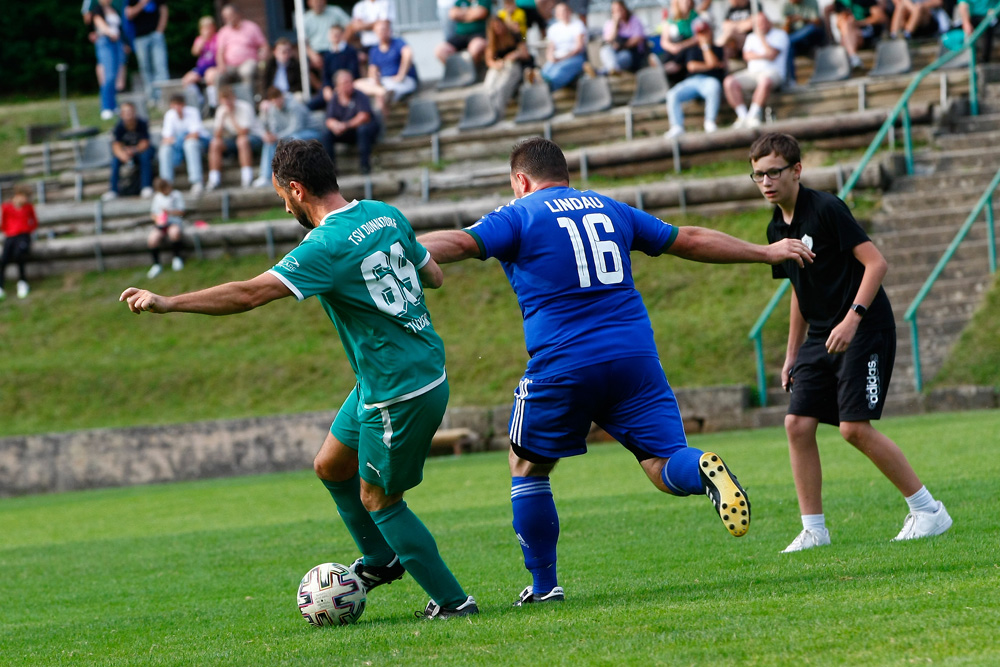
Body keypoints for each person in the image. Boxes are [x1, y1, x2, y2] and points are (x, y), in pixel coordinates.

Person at [418, 137, 816, 604]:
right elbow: (686, 238)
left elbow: (461, 242)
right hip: (635, 361)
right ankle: (703, 469)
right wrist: (765, 252)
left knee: (527, 467)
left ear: (521, 181)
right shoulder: (611, 209)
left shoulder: (518, 214)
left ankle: (545, 586)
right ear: (564, 175)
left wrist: (397, 247)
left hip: (563, 365)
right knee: (663, 462)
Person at [120, 138, 479, 621]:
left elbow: (248, 295)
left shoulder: (324, 246)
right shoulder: (384, 213)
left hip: (398, 389)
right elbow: (434, 276)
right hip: (398, 373)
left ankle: (454, 603)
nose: (283, 204)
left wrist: (168, 302)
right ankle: (381, 559)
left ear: (296, 188)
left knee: (380, 499)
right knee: (331, 465)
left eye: (281, 195)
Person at [748, 132, 953, 552]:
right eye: (757, 175)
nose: (766, 182)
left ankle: (928, 511)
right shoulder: (776, 226)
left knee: (853, 429)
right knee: (797, 424)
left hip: (864, 327)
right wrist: (790, 354)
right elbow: (798, 290)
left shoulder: (825, 209)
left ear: (796, 170)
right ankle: (814, 530)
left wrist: (852, 320)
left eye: (773, 172)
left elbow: (877, 263)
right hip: (822, 334)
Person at [723, 12, 790, 129]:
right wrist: (764, 54)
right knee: (729, 81)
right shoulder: (750, 37)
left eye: (763, 22)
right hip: (752, 73)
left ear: (769, 22)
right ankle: (743, 116)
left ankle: (753, 115)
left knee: (765, 81)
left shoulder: (780, 34)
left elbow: (772, 54)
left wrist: (761, 37)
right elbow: (747, 56)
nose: (761, 25)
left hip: (773, 72)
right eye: (758, 23)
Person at [664, 18, 725, 138]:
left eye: (705, 32)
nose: (702, 35)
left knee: (714, 87)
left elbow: (712, 62)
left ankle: (709, 122)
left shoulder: (718, 48)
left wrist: (706, 47)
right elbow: (692, 66)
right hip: (692, 81)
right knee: (672, 94)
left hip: (710, 81)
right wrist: (710, 65)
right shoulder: (692, 49)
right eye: (700, 33)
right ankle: (677, 126)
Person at [254, 87, 324, 186]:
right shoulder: (272, 109)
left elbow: (296, 128)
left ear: (282, 97)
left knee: (294, 139)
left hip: (311, 132)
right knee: (269, 142)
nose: (276, 102)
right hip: (290, 135)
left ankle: (296, 175)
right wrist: (270, 136)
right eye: (273, 100)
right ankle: (265, 176)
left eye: (278, 98)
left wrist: (277, 136)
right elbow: (274, 127)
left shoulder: (294, 106)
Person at [354, 20, 419, 117]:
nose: (382, 32)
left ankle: (381, 122)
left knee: (379, 97)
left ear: (390, 30)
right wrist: (375, 79)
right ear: (375, 32)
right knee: (357, 84)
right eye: (379, 30)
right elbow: (373, 70)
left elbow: (408, 54)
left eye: (384, 29)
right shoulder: (374, 50)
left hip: (402, 81)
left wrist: (401, 75)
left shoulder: (398, 42)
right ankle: (383, 92)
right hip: (384, 82)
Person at [207, 85, 263, 190]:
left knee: (242, 141)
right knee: (215, 143)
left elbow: (243, 132)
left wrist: (231, 117)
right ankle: (214, 179)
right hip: (234, 140)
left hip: (254, 138)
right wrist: (222, 120)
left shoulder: (245, 107)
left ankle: (247, 177)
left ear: (233, 97)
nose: (227, 103)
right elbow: (217, 135)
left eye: (229, 100)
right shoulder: (221, 111)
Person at [323, 70, 380, 175]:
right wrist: (335, 125)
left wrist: (346, 125)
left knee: (363, 130)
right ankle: (331, 170)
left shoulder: (360, 95)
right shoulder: (334, 99)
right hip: (346, 131)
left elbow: (364, 116)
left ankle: (365, 166)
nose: (349, 85)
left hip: (364, 131)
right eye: (345, 82)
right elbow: (329, 119)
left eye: (350, 81)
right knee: (326, 135)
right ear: (338, 86)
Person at [158, 93, 209, 194]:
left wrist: (179, 139)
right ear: (171, 105)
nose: (177, 107)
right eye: (175, 105)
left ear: (184, 104)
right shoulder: (169, 115)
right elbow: (166, 138)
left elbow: (195, 134)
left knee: (190, 144)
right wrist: (179, 140)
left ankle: (196, 181)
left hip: (199, 143)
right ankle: (166, 184)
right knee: (165, 150)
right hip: (179, 144)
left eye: (179, 104)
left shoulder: (193, 111)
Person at [481, 15, 532, 114]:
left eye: (499, 26)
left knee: (502, 86)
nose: (498, 29)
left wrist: (516, 54)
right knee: (490, 83)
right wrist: (496, 64)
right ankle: (486, 110)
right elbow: (489, 60)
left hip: (514, 65)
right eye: (495, 27)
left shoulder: (514, 34)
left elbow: (525, 53)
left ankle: (497, 112)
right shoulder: (492, 41)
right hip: (499, 67)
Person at [104, 101, 154, 201]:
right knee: (115, 161)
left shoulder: (142, 123)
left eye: (130, 111)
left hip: (140, 151)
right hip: (126, 153)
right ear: (122, 114)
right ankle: (113, 190)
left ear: (134, 112)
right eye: (125, 112)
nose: (128, 114)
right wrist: (122, 154)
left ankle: (146, 187)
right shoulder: (119, 127)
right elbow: (116, 145)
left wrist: (134, 150)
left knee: (145, 156)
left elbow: (145, 143)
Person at [216, 4, 269, 90]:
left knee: (246, 72)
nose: (227, 19)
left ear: (237, 14)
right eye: (225, 17)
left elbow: (264, 45)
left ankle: (248, 101)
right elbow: (220, 52)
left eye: (229, 16)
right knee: (219, 77)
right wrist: (221, 66)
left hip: (248, 62)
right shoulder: (223, 32)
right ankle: (221, 102)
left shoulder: (251, 27)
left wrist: (262, 56)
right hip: (230, 65)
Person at [125, 0, 169, 103]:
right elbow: (128, 14)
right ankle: (152, 97)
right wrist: (142, 3)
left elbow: (164, 11)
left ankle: (163, 96)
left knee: (160, 65)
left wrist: (160, 30)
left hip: (156, 34)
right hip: (140, 37)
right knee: (145, 67)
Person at [309, 23, 362, 110]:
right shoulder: (328, 54)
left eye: (337, 34)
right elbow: (325, 74)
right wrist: (326, 87)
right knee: (311, 105)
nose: (335, 36)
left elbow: (353, 72)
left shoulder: (350, 51)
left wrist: (340, 87)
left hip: (347, 85)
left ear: (342, 35)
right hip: (332, 87)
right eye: (332, 34)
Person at [0, 185, 39, 300]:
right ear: (18, 195)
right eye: (25, 197)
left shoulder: (28, 207)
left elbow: (34, 222)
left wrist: (28, 230)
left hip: (23, 236)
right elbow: (3, 224)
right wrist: (8, 230)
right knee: (4, 259)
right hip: (10, 236)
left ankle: (22, 282)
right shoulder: (6, 207)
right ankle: (1, 286)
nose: (26, 200)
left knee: (19, 255)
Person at [539, 2, 587, 92]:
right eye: (561, 12)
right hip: (558, 58)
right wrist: (551, 57)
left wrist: (564, 57)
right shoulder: (553, 28)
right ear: (556, 14)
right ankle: (540, 84)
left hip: (575, 57)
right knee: (546, 70)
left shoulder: (578, 24)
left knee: (560, 70)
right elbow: (551, 47)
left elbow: (579, 47)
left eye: (565, 11)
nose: (564, 14)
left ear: (569, 12)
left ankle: (548, 86)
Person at [92, 0, 125, 120]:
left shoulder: (114, 9)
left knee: (115, 77)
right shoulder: (97, 9)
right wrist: (110, 33)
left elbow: (120, 27)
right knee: (108, 76)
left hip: (117, 44)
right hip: (106, 42)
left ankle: (113, 105)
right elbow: (100, 24)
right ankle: (105, 107)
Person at [146, 177, 186, 278]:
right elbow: (153, 214)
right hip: (161, 224)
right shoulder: (157, 197)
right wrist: (157, 218)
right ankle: (156, 264)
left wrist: (169, 212)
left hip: (174, 221)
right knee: (152, 239)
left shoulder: (176, 195)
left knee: (174, 233)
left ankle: (177, 258)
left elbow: (182, 212)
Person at [833, 0, 889, 69]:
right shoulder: (840, 2)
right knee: (846, 26)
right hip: (853, 34)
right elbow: (839, 23)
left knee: (846, 36)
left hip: (868, 30)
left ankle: (853, 58)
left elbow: (881, 17)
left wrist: (859, 23)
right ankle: (854, 57)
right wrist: (847, 20)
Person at [434, 0, 491, 66]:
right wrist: (473, 14)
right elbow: (453, 14)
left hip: (479, 34)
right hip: (460, 35)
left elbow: (481, 13)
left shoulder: (484, 1)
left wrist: (462, 15)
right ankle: (458, 71)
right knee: (440, 51)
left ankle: (470, 71)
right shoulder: (461, 1)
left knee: (476, 48)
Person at [782, 0, 826, 86]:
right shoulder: (786, 6)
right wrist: (788, 23)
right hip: (797, 40)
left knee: (811, 28)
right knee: (789, 46)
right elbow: (784, 31)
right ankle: (792, 81)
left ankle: (788, 41)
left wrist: (802, 19)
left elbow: (817, 23)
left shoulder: (812, 2)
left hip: (812, 36)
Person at [181, 16, 220, 109]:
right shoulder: (199, 39)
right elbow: (194, 52)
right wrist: (203, 41)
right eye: (205, 28)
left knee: (209, 77)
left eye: (209, 27)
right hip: (201, 68)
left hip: (214, 66)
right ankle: (199, 102)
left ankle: (213, 105)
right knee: (187, 80)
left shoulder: (218, 38)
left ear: (214, 27)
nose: (208, 30)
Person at [599, 0, 647, 75]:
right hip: (615, 53)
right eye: (614, 11)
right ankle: (613, 69)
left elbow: (638, 38)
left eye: (619, 9)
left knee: (623, 56)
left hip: (631, 53)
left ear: (624, 9)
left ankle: (601, 72)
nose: (618, 13)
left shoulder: (634, 20)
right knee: (605, 50)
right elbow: (608, 41)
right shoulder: (610, 23)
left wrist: (622, 46)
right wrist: (615, 24)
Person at [303, 0, 351, 74]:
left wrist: (342, 43)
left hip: (335, 50)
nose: (318, 4)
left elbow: (350, 27)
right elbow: (303, 41)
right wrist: (312, 55)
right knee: (304, 68)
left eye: (320, 1)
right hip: (316, 52)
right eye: (315, 1)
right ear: (309, 3)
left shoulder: (336, 11)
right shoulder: (305, 18)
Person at [657, 0, 701, 81]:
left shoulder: (695, 17)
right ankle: (665, 67)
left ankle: (670, 66)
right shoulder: (671, 20)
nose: (687, 4)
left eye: (688, 2)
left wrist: (681, 46)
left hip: (689, 52)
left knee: (688, 51)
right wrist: (673, 48)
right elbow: (664, 41)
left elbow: (698, 38)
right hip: (674, 51)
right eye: (684, 2)